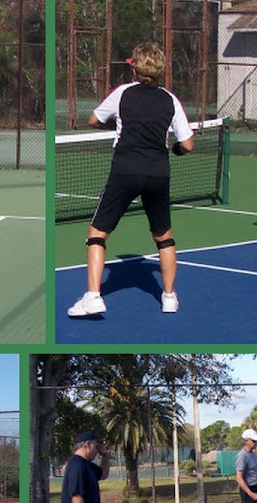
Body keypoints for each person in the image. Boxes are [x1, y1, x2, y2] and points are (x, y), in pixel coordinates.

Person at [66, 43, 194, 317]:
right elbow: (188, 144)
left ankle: (93, 297)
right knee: (164, 237)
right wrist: (177, 149)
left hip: (125, 170)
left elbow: (93, 119)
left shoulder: (122, 93)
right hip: (159, 173)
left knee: (97, 234)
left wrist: (119, 123)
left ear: (136, 68)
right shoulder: (170, 99)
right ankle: (169, 297)